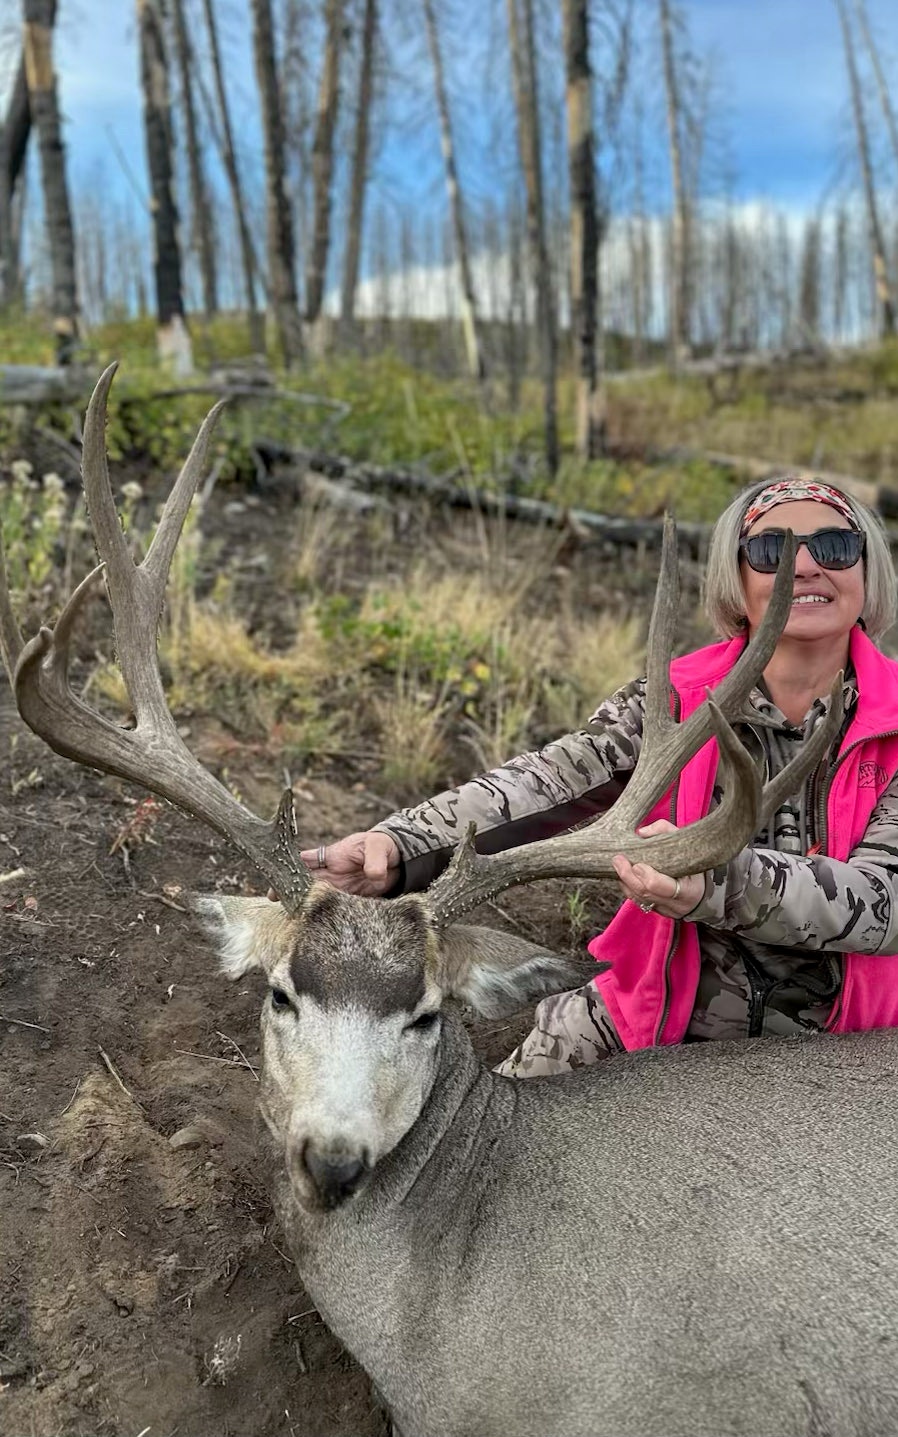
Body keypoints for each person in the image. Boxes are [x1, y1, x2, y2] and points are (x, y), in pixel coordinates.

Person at [299, 477, 898, 1076]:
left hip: (850, 1049)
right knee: (497, 1119)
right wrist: (400, 845)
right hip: (649, 1009)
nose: (804, 567)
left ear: (866, 570)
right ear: (735, 580)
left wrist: (716, 882)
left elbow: (886, 903)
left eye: (834, 546)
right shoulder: (673, 699)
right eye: (771, 550)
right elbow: (547, 781)